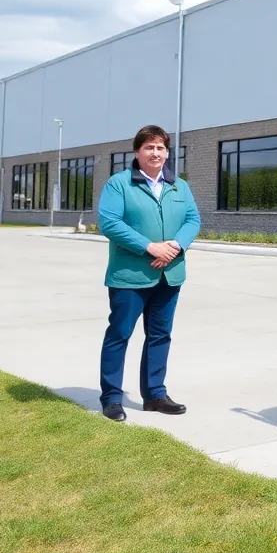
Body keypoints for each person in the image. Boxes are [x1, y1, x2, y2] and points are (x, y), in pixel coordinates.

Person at [96, 124, 201, 422]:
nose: (156, 153)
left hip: (170, 274)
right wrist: (150, 247)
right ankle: (111, 398)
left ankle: (155, 394)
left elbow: (193, 219)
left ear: (167, 153)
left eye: (161, 148)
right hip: (130, 276)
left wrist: (175, 246)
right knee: (119, 335)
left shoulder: (179, 186)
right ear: (137, 151)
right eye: (149, 147)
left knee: (160, 335)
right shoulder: (119, 184)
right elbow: (110, 223)